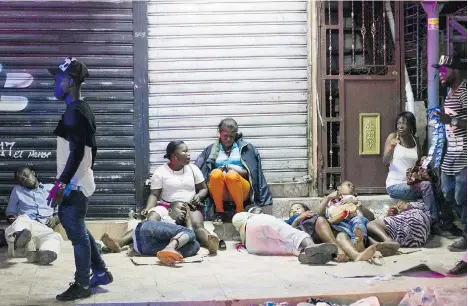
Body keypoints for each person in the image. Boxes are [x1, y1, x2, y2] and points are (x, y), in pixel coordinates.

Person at [47, 57, 112, 301]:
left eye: (57, 79)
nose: (54, 84)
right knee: (80, 230)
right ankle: (101, 273)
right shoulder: (80, 109)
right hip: (78, 180)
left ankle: (82, 284)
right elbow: (88, 151)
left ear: (70, 81)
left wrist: (62, 184)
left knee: (77, 235)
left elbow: (76, 154)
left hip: (74, 184)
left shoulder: (75, 112)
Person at [141, 141, 219, 254]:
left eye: (188, 151)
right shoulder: (160, 172)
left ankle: (210, 242)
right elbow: (154, 194)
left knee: (197, 225)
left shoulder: (193, 169)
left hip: (189, 206)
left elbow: (204, 189)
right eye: (185, 151)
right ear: (174, 156)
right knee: (152, 219)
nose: (188, 154)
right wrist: (148, 209)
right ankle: (147, 241)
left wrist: (198, 196)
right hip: (166, 206)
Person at [196, 118, 272, 223]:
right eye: (225, 136)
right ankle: (219, 212)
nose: (228, 139)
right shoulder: (211, 150)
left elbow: (252, 174)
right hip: (219, 191)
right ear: (219, 132)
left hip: (240, 189)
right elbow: (202, 173)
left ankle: (239, 210)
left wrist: (233, 169)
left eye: (231, 136)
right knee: (215, 173)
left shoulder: (246, 148)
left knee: (231, 175)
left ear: (236, 134)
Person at [383, 111, 441, 234]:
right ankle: (434, 222)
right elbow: (385, 161)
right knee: (427, 187)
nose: (400, 126)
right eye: (398, 123)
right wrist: (390, 149)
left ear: (411, 126)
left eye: (404, 123)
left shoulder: (415, 140)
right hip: (395, 185)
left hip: (411, 183)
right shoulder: (392, 137)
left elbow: (418, 163)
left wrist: (423, 164)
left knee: (436, 188)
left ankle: (446, 222)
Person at [433, 55, 467, 252]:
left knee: (462, 196)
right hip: (451, 154)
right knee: (448, 193)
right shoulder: (450, 93)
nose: (441, 74)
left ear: (456, 70)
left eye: (444, 70)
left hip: (464, 154)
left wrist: (451, 121)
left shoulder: (465, 91)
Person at [101, 202, 200, 265]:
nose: (184, 212)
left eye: (185, 211)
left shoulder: (180, 226)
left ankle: (169, 250)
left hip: (143, 248)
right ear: (169, 210)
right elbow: (150, 223)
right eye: (181, 209)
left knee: (195, 245)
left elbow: (191, 235)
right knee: (188, 233)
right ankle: (171, 247)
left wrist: (188, 220)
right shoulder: (163, 212)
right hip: (147, 231)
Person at [232, 207, 338, 265]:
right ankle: (310, 245)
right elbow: (287, 231)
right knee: (294, 235)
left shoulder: (243, 235)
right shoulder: (255, 217)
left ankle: (304, 253)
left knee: (285, 247)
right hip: (255, 223)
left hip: (252, 246)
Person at [317, 181, 381, 262]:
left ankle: (359, 243)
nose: (352, 187)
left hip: (354, 222)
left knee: (359, 221)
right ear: (338, 188)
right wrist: (328, 198)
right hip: (340, 224)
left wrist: (358, 205)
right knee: (342, 234)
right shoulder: (330, 201)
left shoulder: (355, 200)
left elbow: (371, 217)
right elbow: (318, 214)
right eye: (348, 185)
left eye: (353, 186)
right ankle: (358, 248)